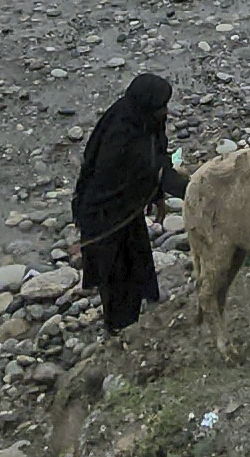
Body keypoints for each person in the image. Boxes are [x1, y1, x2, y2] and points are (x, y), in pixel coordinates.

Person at [71, 74, 187, 333]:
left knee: (137, 259)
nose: (165, 111)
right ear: (147, 105)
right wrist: (197, 192)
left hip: (127, 211)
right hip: (105, 215)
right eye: (161, 106)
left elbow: (157, 157)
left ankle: (141, 310)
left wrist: (156, 198)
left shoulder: (143, 119)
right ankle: (118, 330)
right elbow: (156, 170)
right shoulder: (122, 136)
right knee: (116, 275)